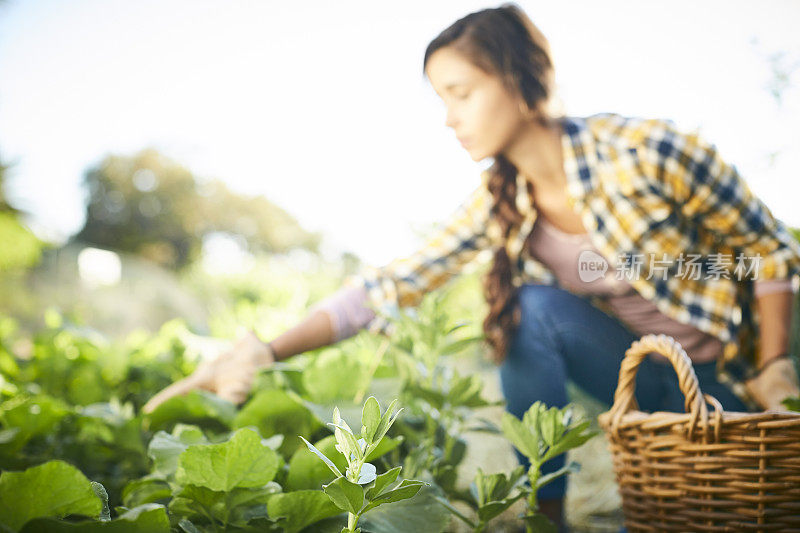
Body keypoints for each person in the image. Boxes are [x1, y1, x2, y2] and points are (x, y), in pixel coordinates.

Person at [143, 4, 800, 529]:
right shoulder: (500, 202)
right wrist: (259, 350)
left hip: (726, 380)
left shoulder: (646, 150)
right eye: (441, 98)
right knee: (529, 310)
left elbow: (768, 247)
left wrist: (774, 363)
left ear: (517, 77)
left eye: (459, 92)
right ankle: (548, 517)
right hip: (634, 376)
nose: (449, 118)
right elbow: (392, 285)